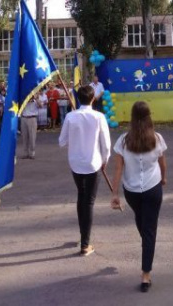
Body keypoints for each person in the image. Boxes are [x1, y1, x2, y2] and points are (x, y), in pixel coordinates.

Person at [110, 102, 167, 292]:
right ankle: (146, 271)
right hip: (153, 188)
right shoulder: (156, 138)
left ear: (132, 117)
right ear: (149, 116)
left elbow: (119, 168)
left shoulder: (124, 141)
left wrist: (115, 193)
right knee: (148, 229)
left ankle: (146, 271)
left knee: (144, 225)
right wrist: (164, 178)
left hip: (132, 191)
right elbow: (162, 162)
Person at [59, 85, 111, 256]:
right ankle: (85, 243)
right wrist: (105, 160)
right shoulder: (98, 117)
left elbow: (62, 141)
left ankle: (83, 235)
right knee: (87, 201)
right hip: (93, 163)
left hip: (76, 162)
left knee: (82, 197)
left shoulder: (70, 116)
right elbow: (106, 143)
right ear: (93, 99)